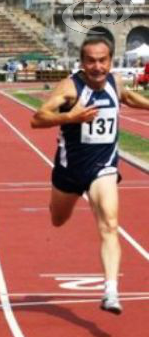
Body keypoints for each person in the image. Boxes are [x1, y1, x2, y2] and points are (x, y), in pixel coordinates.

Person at [31, 35, 149, 315]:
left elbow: (130, 97)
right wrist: (71, 118)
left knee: (109, 223)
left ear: (110, 60)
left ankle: (110, 291)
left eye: (103, 60)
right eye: (91, 61)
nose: (97, 67)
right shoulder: (71, 88)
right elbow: (37, 119)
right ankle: (59, 203)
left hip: (104, 167)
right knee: (58, 219)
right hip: (70, 171)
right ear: (82, 63)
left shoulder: (115, 83)